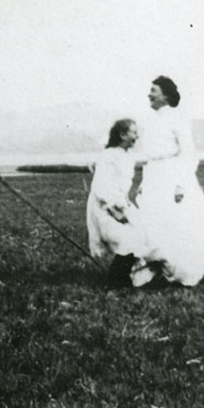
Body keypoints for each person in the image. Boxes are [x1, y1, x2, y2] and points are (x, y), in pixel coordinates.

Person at [130, 76, 204, 287]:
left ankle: (180, 270)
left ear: (165, 95)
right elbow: (151, 154)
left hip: (172, 174)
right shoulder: (150, 120)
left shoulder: (177, 118)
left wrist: (180, 183)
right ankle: (157, 269)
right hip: (153, 175)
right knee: (151, 221)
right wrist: (144, 181)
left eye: (154, 90)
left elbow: (189, 153)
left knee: (176, 221)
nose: (149, 94)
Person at [86, 119, 154, 288]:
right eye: (134, 132)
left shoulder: (127, 156)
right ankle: (115, 280)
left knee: (144, 232)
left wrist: (124, 206)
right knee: (127, 238)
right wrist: (114, 210)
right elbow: (100, 187)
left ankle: (125, 276)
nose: (137, 136)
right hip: (104, 207)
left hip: (120, 203)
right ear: (123, 135)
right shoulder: (109, 155)